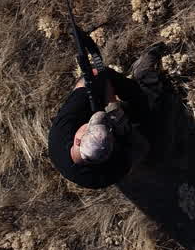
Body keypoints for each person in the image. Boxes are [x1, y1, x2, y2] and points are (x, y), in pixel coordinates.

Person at [48, 43, 166, 189]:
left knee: (97, 77)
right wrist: (122, 126)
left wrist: (109, 97)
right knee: (153, 120)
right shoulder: (105, 175)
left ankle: (130, 92)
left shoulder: (60, 133)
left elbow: (90, 78)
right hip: (126, 138)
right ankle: (143, 84)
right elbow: (139, 152)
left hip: (95, 118)